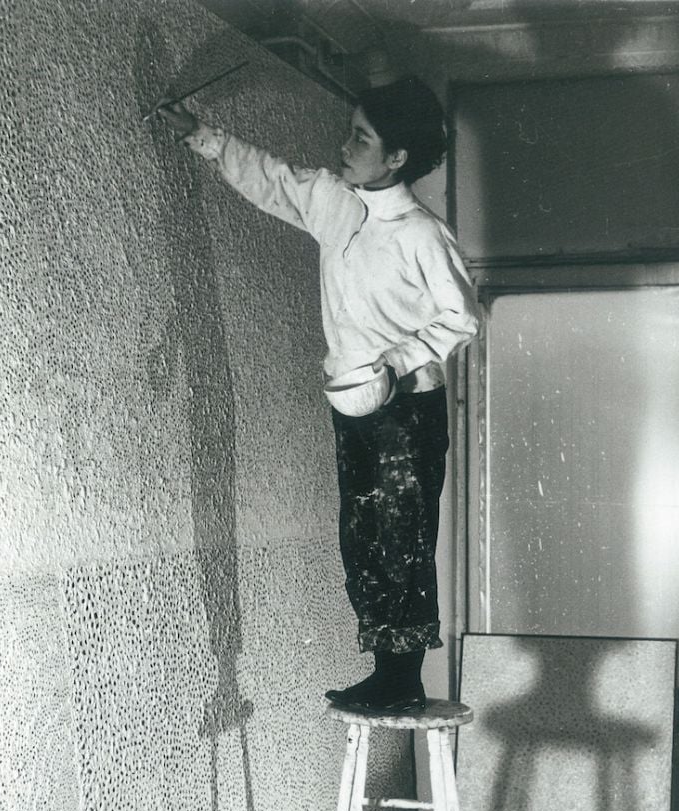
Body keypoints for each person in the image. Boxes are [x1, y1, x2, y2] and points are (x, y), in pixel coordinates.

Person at [157, 75, 479, 712]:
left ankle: (403, 677)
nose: (345, 145)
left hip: (406, 410)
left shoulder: (421, 234)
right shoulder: (334, 201)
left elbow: (461, 317)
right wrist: (202, 135)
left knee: (401, 536)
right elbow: (273, 178)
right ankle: (387, 669)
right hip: (353, 402)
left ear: (397, 157)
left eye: (362, 138)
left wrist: (396, 362)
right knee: (361, 533)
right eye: (350, 131)